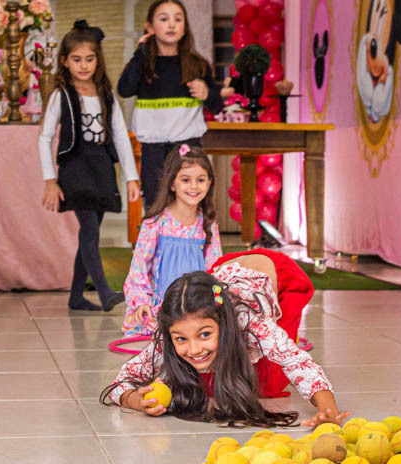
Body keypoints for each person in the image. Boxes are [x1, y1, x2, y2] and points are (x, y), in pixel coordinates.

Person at [102, 266, 348, 428]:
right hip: (223, 280)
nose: (194, 349)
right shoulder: (169, 336)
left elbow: (297, 362)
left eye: (204, 334)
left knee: (270, 385)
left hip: (267, 274)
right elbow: (119, 382)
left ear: (224, 325)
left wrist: (328, 411)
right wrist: (135, 399)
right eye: (181, 339)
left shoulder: (252, 324)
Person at [39, 20, 141, 312]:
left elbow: (121, 136)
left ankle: (76, 296)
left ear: (98, 60)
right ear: (65, 61)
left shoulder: (106, 95)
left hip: (101, 167)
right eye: (76, 59)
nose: (83, 65)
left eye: (89, 59)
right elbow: (44, 138)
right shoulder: (62, 95)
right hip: (75, 167)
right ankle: (105, 291)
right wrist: (50, 179)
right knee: (89, 229)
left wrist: (131, 178)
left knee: (91, 229)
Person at [117, 0, 224, 206]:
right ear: (149, 27)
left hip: (189, 149)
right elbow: (124, 89)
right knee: (156, 207)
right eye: (164, 19)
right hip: (153, 150)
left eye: (178, 19)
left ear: (185, 27)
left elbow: (217, 105)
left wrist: (207, 93)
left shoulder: (198, 65)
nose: (172, 25)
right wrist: (141, 51)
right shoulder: (143, 64)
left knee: (191, 207)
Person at [122, 144, 222, 335]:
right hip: (161, 305)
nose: (194, 186)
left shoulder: (207, 224)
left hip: (195, 305)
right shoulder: (156, 222)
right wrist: (141, 301)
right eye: (186, 180)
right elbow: (139, 267)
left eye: (200, 180)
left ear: (209, 183)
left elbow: (214, 269)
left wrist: (216, 301)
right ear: (172, 184)